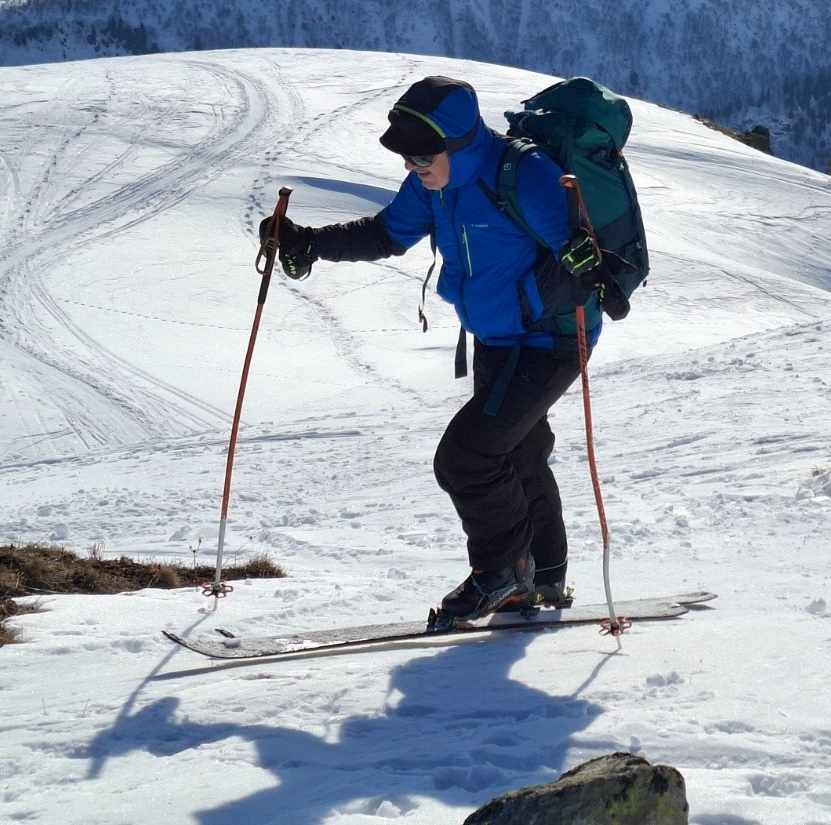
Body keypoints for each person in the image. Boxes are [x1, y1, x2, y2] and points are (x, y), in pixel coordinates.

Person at [258, 76, 604, 626]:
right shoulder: (433, 185)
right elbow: (387, 234)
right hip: (496, 338)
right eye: (405, 155)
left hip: (550, 340)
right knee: (517, 454)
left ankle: (503, 572)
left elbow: (584, 250)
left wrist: (590, 259)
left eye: (422, 154)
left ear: (460, 143)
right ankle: (542, 577)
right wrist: (312, 244)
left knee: (467, 458)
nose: (411, 165)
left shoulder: (526, 173)